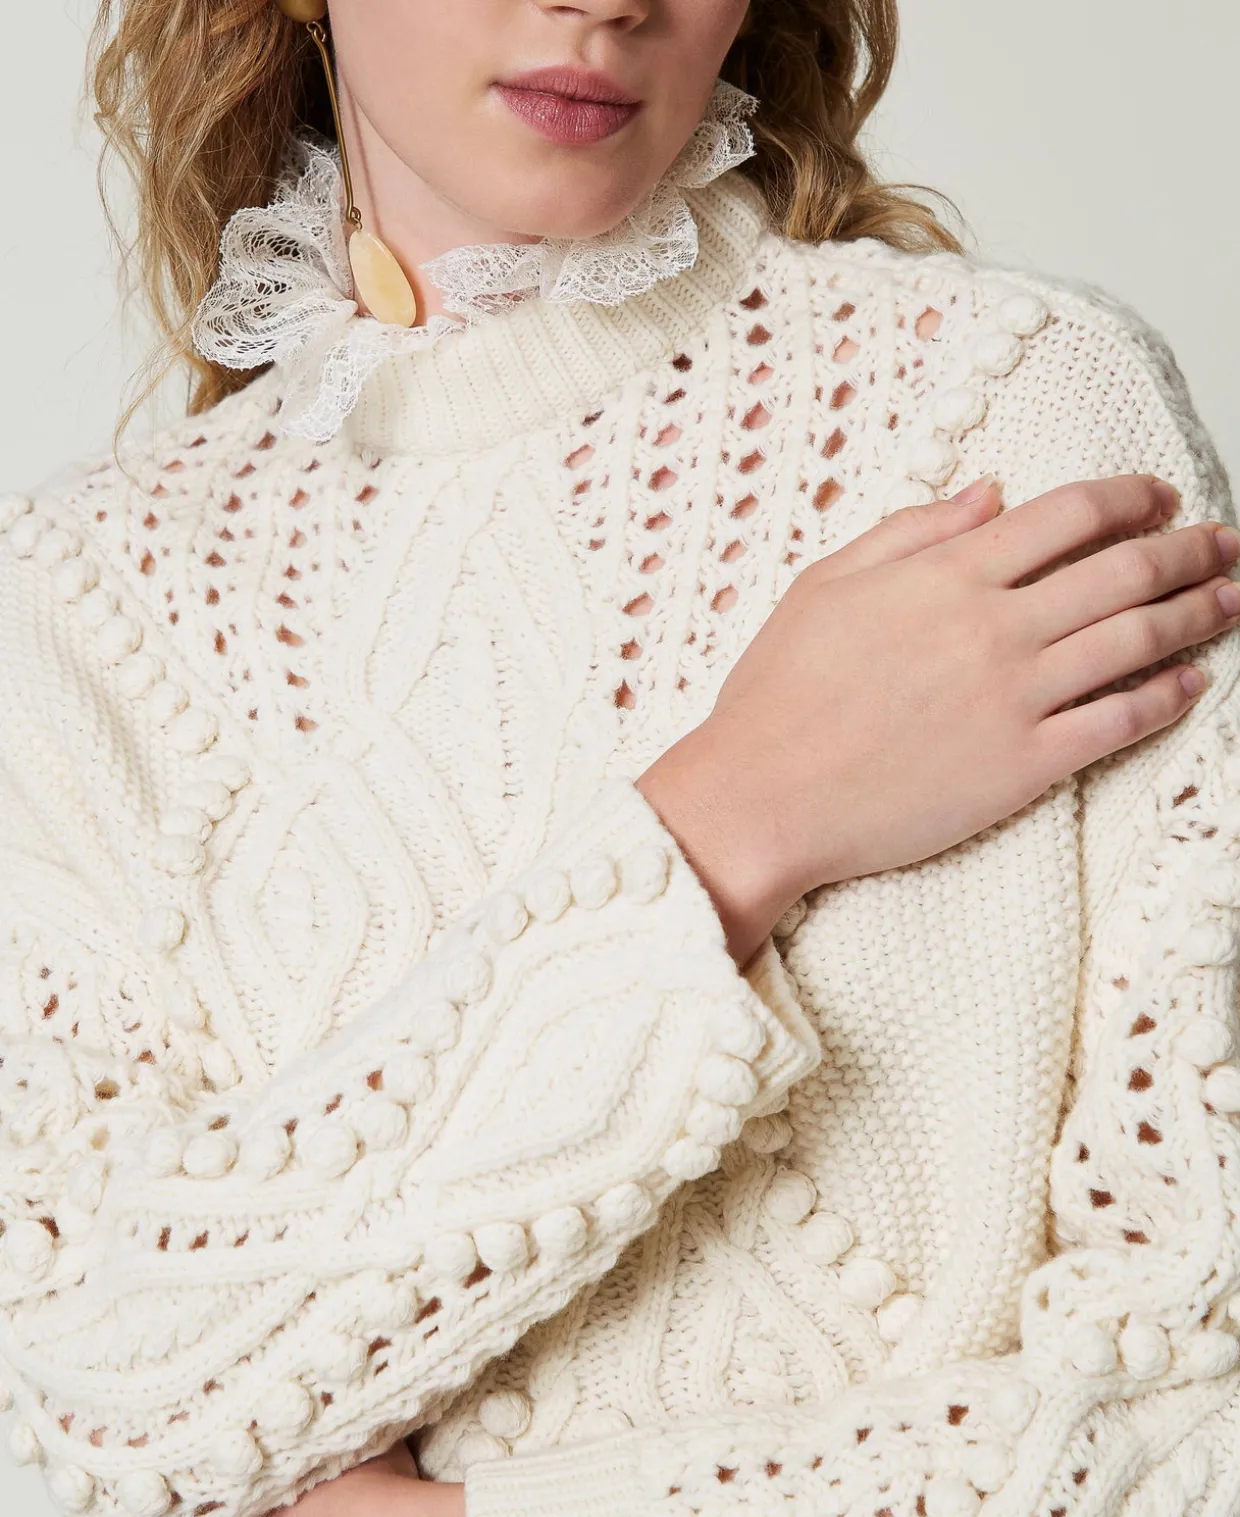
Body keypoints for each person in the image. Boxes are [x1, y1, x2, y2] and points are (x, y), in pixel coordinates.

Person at [2, 2, 1238, 1516]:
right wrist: (733, 818)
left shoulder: (1005, 416)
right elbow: (104, 1391)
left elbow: (1201, 1403)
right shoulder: (83, 607)